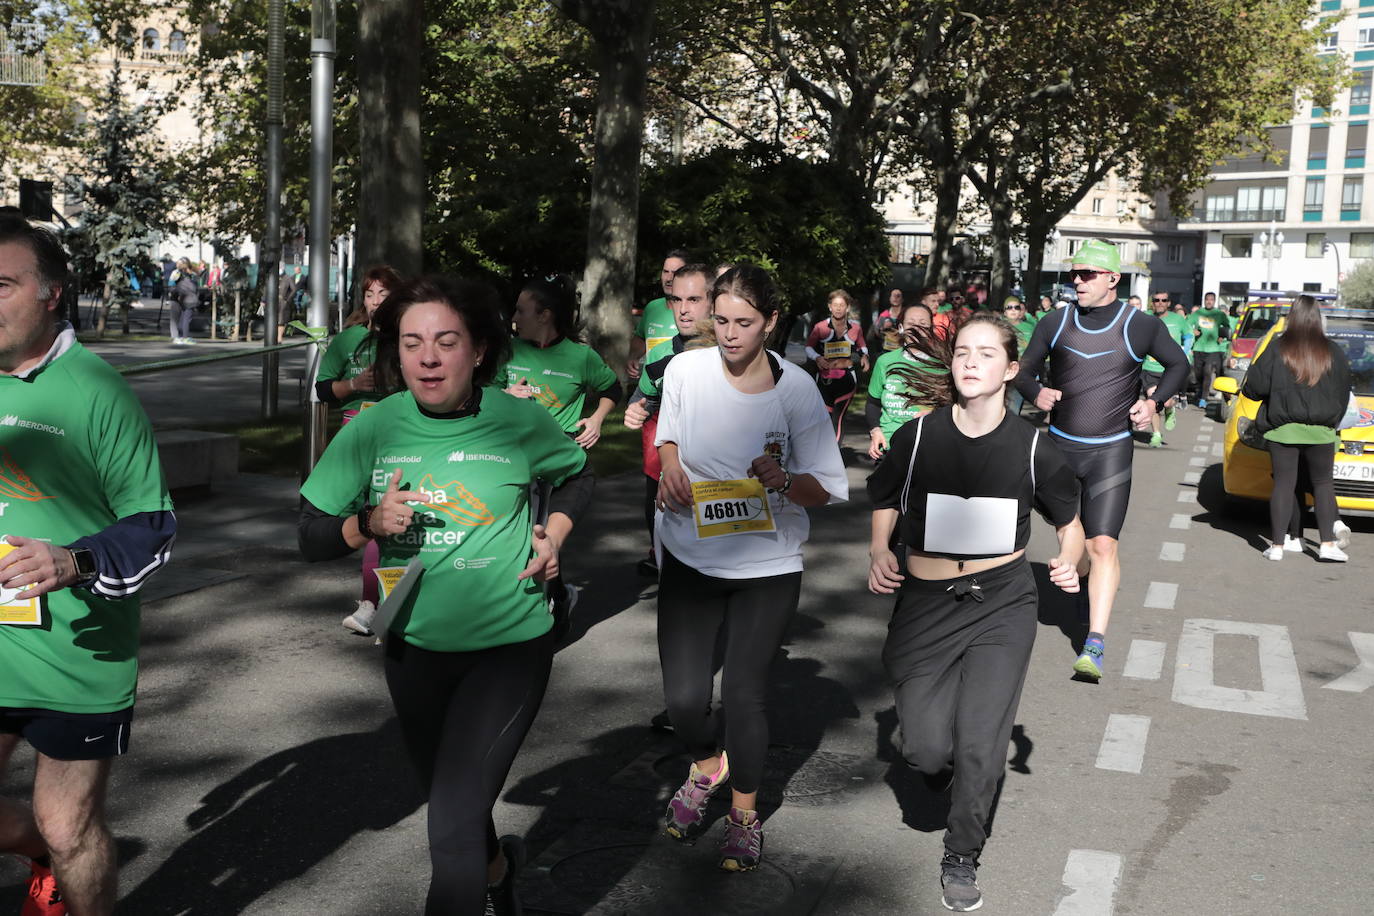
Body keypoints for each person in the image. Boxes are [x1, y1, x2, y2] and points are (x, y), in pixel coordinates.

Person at [298, 274, 594, 915]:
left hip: (510, 646)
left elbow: (575, 477)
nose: (428, 358)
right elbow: (310, 533)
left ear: (479, 349)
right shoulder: (374, 428)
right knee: (455, 801)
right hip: (413, 645)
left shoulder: (516, 419)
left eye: (445, 341)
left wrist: (555, 538)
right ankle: (497, 876)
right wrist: (366, 524)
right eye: (412, 343)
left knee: (451, 821)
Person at [868, 313, 1084, 913]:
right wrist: (879, 549)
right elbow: (885, 497)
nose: (970, 362)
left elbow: (1070, 525)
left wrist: (1069, 560)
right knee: (924, 751)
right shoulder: (917, 436)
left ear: (1011, 370)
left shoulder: (1034, 446)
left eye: (987, 354)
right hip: (925, 605)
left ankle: (962, 851)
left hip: (1001, 603)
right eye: (963, 351)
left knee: (980, 743)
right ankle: (939, 773)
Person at [0, 216, 176, 916]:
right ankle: (36, 854)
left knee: (68, 823)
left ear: (51, 294)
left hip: (78, 651)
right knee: (42, 832)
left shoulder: (97, 391)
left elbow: (153, 526)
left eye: (2, 285)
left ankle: (56, 855)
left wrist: (73, 560)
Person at [654, 265, 847, 872]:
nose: (730, 334)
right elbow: (668, 435)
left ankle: (742, 816)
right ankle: (707, 765)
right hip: (690, 553)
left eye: (744, 323)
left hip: (767, 562)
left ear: (769, 324)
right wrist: (669, 465)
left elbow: (828, 489)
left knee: (743, 696)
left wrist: (786, 480)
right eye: (722, 320)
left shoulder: (796, 391)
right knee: (685, 701)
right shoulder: (685, 369)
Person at [1013, 239, 1188, 680]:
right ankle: (1082, 575)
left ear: (1113, 278)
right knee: (1074, 542)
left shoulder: (1140, 324)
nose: (1078, 280)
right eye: (1075, 273)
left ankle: (1094, 642)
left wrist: (1155, 404)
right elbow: (1024, 372)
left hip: (1110, 450)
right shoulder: (1056, 321)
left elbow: (1178, 366)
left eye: (1088, 273)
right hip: (1060, 448)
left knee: (1103, 542)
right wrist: (1038, 392)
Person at [314, 264, 403, 638]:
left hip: (397, 438)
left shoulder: (406, 338)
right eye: (369, 294)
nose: (375, 302)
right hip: (354, 437)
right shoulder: (348, 340)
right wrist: (354, 384)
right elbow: (321, 391)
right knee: (368, 519)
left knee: (382, 518)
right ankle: (382, 601)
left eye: (383, 294)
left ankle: (374, 604)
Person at [1242, 295, 1353, 562]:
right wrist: (1331, 419)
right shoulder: (1333, 351)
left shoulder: (1278, 348)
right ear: (1318, 318)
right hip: (1322, 431)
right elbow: (1344, 394)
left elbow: (1253, 388)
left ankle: (1278, 546)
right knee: (1324, 484)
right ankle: (1327, 545)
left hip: (1283, 429)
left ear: (1292, 317)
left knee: (1284, 484)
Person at [500, 276, 621, 449]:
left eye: (521, 311)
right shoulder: (510, 350)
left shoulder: (581, 356)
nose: (514, 318)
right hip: (515, 448)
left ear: (544, 316)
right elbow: (484, 393)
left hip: (561, 450)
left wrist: (596, 420)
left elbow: (613, 388)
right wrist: (506, 393)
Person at [866, 303, 939, 460]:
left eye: (923, 324)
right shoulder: (885, 361)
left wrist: (934, 413)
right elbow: (873, 402)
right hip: (888, 446)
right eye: (911, 323)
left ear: (931, 328)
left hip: (927, 447)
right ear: (900, 327)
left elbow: (953, 408)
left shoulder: (942, 365)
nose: (916, 328)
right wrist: (875, 431)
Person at [805, 289, 869, 443]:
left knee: (837, 418)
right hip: (825, 380)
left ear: (847, 308)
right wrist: (818, 358)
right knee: (823, 418)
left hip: (846, 379)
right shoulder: (821, 327)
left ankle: (835, 457)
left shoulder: (855, 328)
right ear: (829, 307)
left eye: (842, 305)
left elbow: (862, 347)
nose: (839, 308)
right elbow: (808, 347)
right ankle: (821, 454)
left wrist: (865, 357)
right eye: (835, 305)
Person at [627, 249, 691, 381]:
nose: (668, 278)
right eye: (665, 272)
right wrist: (633, 356)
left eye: (675, 273)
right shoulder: (652, 308)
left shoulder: (693, 311)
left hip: (680, 387)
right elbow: (641, 338)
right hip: (649, 388)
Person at [1142, 291, 1192, 447]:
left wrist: (1181, 356)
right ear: (1152, 302)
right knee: (1153, 401)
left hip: (1169, 370)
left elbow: (1189, 335)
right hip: (1149, 368)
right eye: (1156, 300)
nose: (1160, 303)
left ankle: (1170, 408)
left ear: (1169, 303)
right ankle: (1156, 434)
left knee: (1167, 402)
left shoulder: (1177, 319)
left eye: (1164, 300)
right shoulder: (1145, 317)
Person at [1188, 291, 1230, 413]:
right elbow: (1187, 325)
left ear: (1214, 301)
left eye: (1211, 299)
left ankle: (1203, 398)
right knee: (1198, 374)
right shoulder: (1198, 313)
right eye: (1207, 299)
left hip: (1213, 349)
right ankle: (1201, 390)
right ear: (1204, 300)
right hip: (1199, 348)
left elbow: (1226, 327)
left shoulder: (1219, 314)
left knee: (1207, 372)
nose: (1209, 301)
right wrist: (1193, 332)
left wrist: (1222, 336)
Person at [1002, 296, 1037, 415]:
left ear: (1020, 310)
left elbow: (1035, 349)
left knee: (1014, 406)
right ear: (1005, 311)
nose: (1013, 310)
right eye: (1009, 307)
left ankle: (1011, 427)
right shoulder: (999, 326)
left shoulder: (1030, 327)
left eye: (1016, 307)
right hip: (1002, 371)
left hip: (1022, 371)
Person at [169, 256, 200, 345]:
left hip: (181, 298)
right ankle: (182, 337)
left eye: (179, 263)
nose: (177, 265)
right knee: (184, 319)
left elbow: (171, 285)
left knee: (181, 319)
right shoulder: (192, 274)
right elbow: (195, 286)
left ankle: (179, 337)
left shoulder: (179, 273)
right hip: (187, 299)